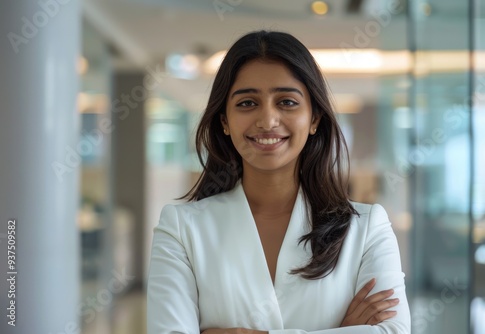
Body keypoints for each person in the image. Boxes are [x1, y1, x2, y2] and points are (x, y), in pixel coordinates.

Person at [147, 30, 411, 334]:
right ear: (224, 121)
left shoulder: (367, 228)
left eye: (286, 102)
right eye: (247, 103)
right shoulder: (180, 228)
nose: (267, 120)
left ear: (314, 119)